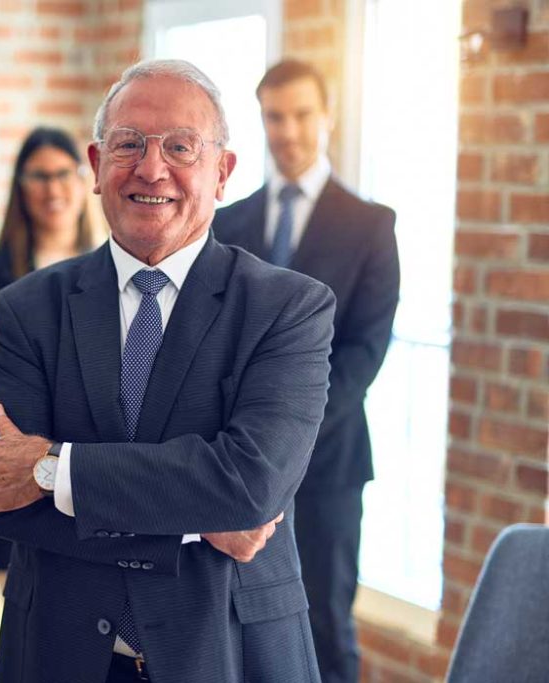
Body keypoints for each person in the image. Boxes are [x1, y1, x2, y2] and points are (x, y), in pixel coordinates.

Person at [0, 59, 334, 683]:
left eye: (180, 147)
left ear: (222, 172)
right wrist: (193, 521)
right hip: (61, 652)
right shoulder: (26, 308)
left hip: (228, 651)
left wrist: (53, 468)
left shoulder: (288, 308)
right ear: (96, 165)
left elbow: (249, 487)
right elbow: (2, 500)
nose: (151, 168)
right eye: (128, 143)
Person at [212, 59, 399, 683]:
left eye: (301, 115)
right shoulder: (230, 221)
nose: (287, 131)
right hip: (234, 465)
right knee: (237, 621)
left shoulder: (371, 225)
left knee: (323, 627)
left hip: (328, 467)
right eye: (273, 117)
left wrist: (284, 436)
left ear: (328, 117)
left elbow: (363, 354)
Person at [0, 126, 99, 574]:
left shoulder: (110, 265)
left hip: (89, 448)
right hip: (16, 440)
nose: (53, 189)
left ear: (85, 180)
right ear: (21, 187)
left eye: (64, 174)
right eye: (39, 177)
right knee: (17, 595)